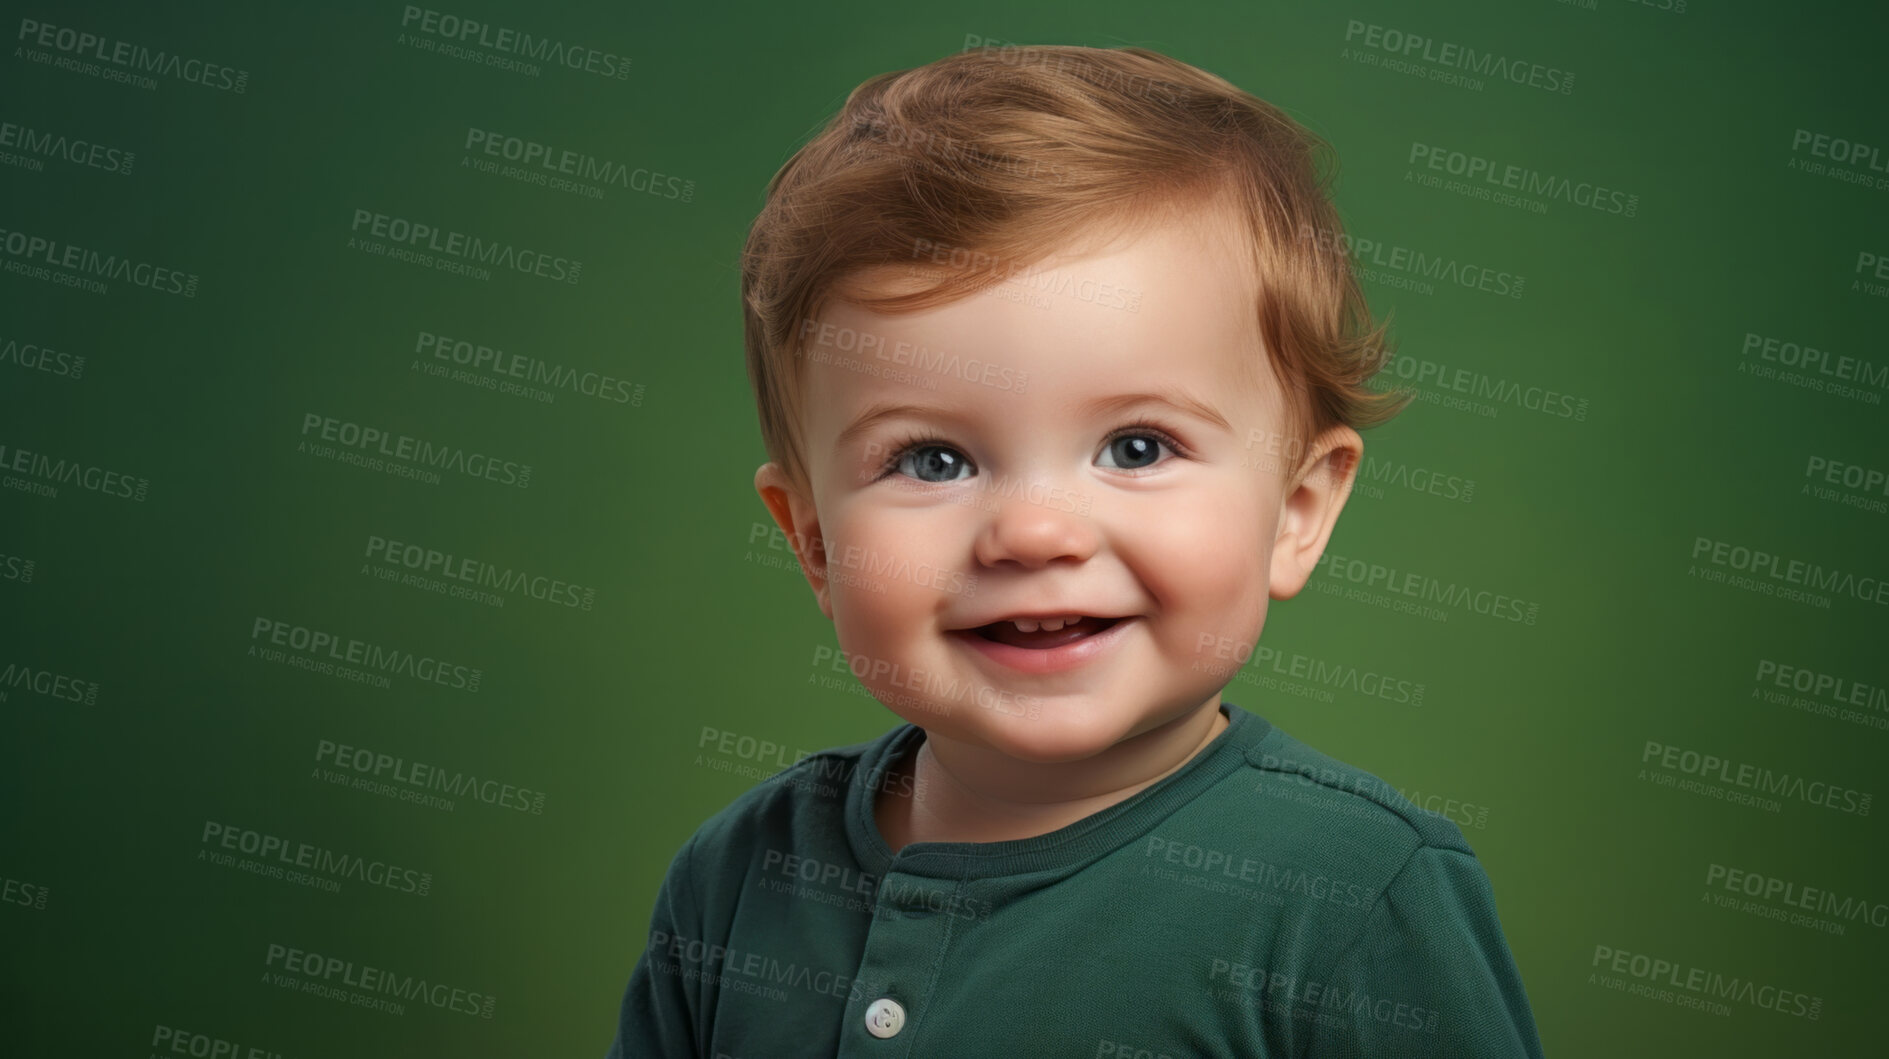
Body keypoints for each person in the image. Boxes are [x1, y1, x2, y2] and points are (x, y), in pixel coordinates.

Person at [606, 42, 1544, 1057]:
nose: (1034, 532)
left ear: (1296, 510)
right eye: (930, 461)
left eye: (1136, 447)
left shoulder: (1355, 898)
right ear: (816, 545)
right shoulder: (741, 877)